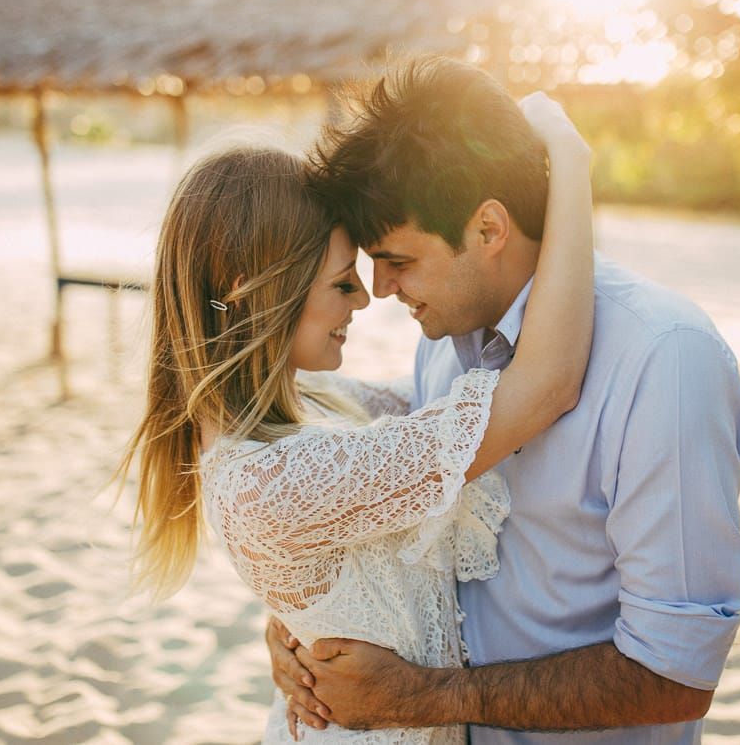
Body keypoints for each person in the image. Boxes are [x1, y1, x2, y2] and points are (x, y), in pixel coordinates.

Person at [269, 57, 740, 744]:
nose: (379, 289)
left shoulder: (663, 360)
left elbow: (675, 670)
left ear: (489, 230)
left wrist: (428, 697)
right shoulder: (442, 339)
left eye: (398, 261)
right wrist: (297, 631)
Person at [115, 88, 596, 743]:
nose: (367, 298)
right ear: (256, 295)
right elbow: (541, 388)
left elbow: (437, 400)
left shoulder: (310, 405)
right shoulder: (272, 476)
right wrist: (569, 162)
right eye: (343, 281)